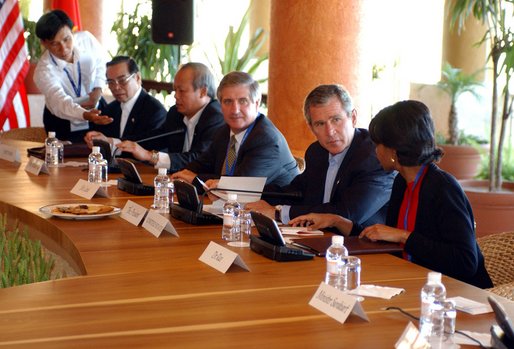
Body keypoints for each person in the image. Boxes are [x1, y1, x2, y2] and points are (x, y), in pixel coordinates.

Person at [290, 100, 493, 289]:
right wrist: (338, 221)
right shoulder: (401, 182)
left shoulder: (443, 188)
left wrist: (404, 237)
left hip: (454, 295)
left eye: (377, 144)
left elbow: (465, 262)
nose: (374, 150)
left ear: (394, 151)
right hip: (410, 282)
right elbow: (387, 237)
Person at [246, 84, 394, 229]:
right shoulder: (317, 152)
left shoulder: (374, 157)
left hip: (362, 247)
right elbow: (295, 192)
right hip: (318, 238)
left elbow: (345, 214)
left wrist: (278, 213)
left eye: (336, 119)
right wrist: (246, 197)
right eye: (320, 124)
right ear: (311, 128)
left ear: (353, 118)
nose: (330, 131)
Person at [86, 62, 224, 172]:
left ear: (203, 92)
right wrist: (110, 142)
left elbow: (198, 158)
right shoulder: (176, 113)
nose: (175, 95)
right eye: (175, 90)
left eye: (181, 91)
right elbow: (152, 139)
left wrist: (149, 156)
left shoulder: (215, 117)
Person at [171, 71, 298, 186]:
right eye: (228, 102)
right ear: (220, 105)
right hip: (235, 207)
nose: (235, 110)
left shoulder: (266, 140)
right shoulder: (224, 132)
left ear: (257, 103)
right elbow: (201, 164)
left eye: (243, 101)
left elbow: (239, 185)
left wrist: (195, 179)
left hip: (276, 209)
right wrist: (182, 174)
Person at [34, 10, 113, 142]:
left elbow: (102, 63)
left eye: (66, 39)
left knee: (102, 153)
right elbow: (59, 101)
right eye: (54, 43)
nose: (64, 48)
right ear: (44, 43)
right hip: (61, 118)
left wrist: (98, 88)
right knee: (64, 158)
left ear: (72, 31)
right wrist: (85, 115)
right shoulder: (43, 71)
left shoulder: (86, 39)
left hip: (95, 107)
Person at [85, 56, 166, 142]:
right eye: (111, 82)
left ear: (137, 78)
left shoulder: (155, 111)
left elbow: (147, 146)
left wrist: (111, 142)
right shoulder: (109, 110)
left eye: (122, 80)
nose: (116, 87)